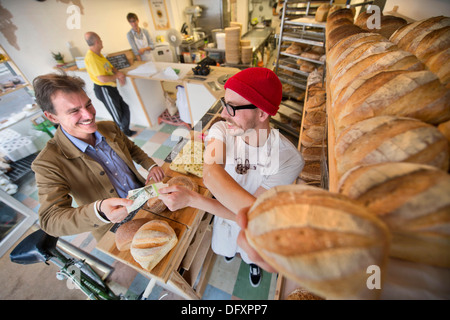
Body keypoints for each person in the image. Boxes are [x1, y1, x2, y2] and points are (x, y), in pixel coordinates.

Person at [158, 67, 304, 287]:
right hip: (232, 215)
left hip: (248, 224)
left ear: (262, 113)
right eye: (224, 104)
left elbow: (249, 215)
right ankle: (230, 252)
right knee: (227, 244)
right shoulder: (222, 130)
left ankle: (252, 264)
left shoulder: (287, 159)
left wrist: (193, 200)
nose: (223, 113)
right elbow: (211, 174)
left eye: (232, 108)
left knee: (249, 251)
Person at [31, 73, 165, 241]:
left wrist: (150, 165)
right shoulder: (47, 163)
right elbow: (50, 220)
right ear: (52, 117)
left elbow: (132, 149)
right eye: (74, 111)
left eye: (88, 104)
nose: (88, 115)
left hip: (145, 199)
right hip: (115, 227)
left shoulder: (109, 127)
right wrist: (99, 210)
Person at [84, 31, 136, 137]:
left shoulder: (99, 55)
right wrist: (118, 76)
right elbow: (102, 79)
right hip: (104, 89)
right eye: (101, 40)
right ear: (97, 42)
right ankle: (121, 137)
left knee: (124, 108)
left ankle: (125, 131)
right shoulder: (92, 58)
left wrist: (118, 73)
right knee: (117, 114)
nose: (102, 42)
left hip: (111, 88)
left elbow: (109, 67)